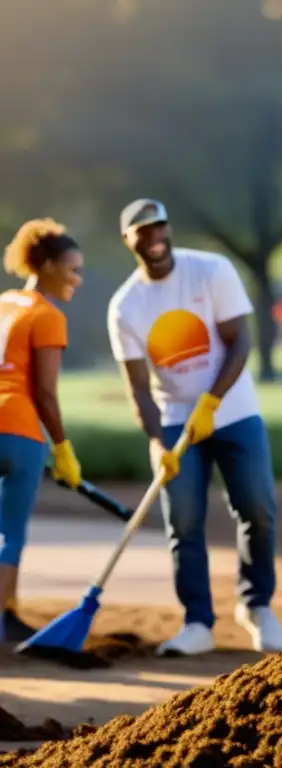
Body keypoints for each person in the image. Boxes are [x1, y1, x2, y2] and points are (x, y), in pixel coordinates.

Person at [107, 198, 282, 656]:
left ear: (169, 228)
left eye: (159, 226)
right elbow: (139, 390)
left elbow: (240, 340)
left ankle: (258, 605)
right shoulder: (125, 306)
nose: (154, 238)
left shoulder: (211, 270)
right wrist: (156, 443)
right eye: (142, 231)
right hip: (172, 419)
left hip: (234, 410)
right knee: (183, 520)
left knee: (257, 508)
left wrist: (212, 401)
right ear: (129, 240)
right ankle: (197, 621)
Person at [0, 219, 84, 644]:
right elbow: (46, 394)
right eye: (71, 269)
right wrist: (63, 449)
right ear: (47, 264)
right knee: (8, 533)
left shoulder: (2, 303)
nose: (78, 279)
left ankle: (7, 615)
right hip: (17, 427)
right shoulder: (47, 315)